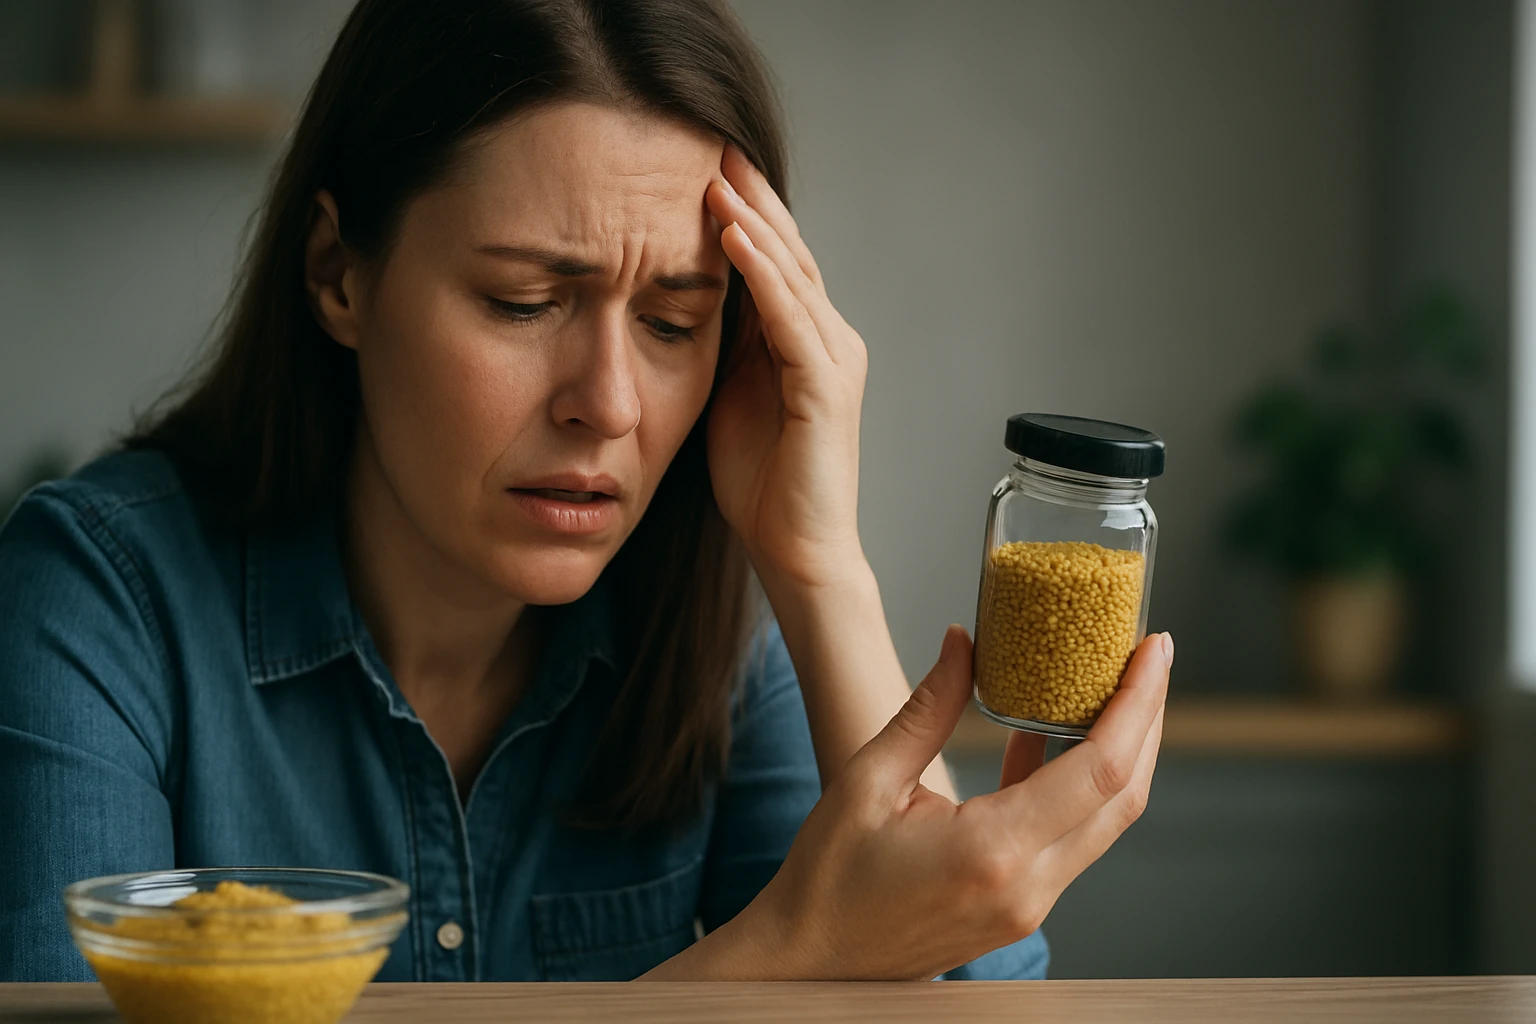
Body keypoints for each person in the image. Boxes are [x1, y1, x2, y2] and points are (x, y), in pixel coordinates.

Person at [0, 0, 1171, 983]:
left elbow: (957, 979)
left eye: (675, 322)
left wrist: (819, 564)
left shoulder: (705, 644)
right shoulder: (94, 603)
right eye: (522, 302)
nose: (609, 402)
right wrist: (782, 954)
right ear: (337, 274)